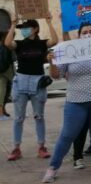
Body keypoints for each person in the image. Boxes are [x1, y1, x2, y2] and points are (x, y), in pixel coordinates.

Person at [41, 23, 91, 182]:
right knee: (68, 134)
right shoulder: (69, 51)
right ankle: (53, 167)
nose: (88, 34)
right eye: (85, 32)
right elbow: (57, 75)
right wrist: (51, 62)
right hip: (76, 101)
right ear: (78, 36)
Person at [5, 14, 59, 161]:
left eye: (26, 28)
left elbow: (55, 40)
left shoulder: (42, 43)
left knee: (39, 116)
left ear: (35, 29)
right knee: (18, 118)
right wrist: (13, 24)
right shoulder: (19, 44)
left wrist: (49, 22)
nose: (23, 30)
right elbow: (8, 43)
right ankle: (16, 148)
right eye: (22, 29)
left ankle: (41, 147)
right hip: (21, 81)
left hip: (38, 81)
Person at [0, 31, 13, 120]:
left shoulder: (5, 46)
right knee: (2, 92)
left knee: (5, 92)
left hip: (4, 71)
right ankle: (1, 113)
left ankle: (3, 111)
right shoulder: (5, 46)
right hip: (5, 72)